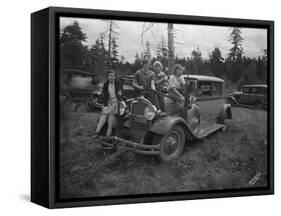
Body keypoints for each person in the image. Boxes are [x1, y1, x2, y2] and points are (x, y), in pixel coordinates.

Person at [93, 70, 122, 138]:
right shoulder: (106, 84)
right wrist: (106, 105)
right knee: (104, 115)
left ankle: (107, 134)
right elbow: (105, 96)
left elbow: (120, 94)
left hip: (116, 102)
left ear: (115, 76)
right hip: (108, 102)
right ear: (107, 76)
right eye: (110, 76)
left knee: (110, 115)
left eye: (113, 76)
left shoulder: (118, 83)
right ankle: (97, 132)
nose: (111, 77)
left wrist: (119, 94)